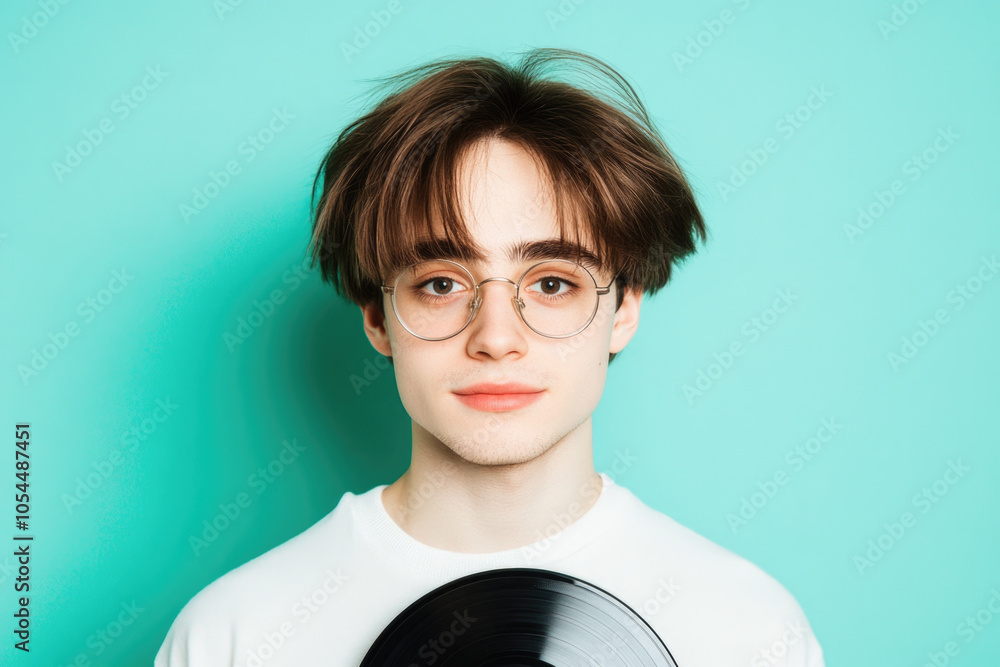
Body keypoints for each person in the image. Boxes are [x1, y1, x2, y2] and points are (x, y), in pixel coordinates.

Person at [155, 48, 825, 666]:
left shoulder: (750, 630)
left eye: (553, 283)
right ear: (376, 316)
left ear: (623, 309)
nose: (496, 337)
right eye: (441, 284)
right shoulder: (231, 634)